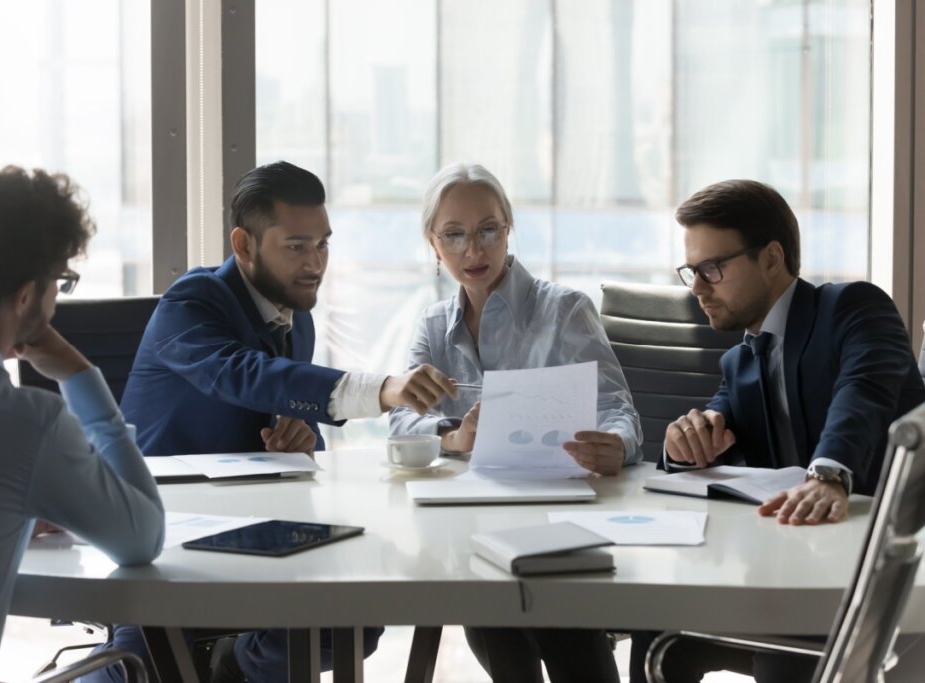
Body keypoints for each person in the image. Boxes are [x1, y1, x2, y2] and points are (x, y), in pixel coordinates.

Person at [91, 161, 456, 683]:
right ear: (244, 245)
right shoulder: (191, 304)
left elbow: (287, 406)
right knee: (142, 670)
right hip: (164, 541)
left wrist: (302, 441)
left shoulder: (296, 317)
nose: (315, 264)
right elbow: (246, 375)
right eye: (296, 247)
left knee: (355, 620)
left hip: (253, 533)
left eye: (323, 245)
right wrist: (381, 388)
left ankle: (231, 667)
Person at [630, 179, 925, 683]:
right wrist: (684, 444)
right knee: (651, 626)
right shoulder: (739, 362)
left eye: (711, 269)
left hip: (876, 572)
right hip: (790, 562)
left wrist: (829, 474)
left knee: (780, 657)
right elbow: (710, 431)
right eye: (691, 271)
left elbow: (864, 393)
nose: (697, 288)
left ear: (771, 258)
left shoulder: (852, 308)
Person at [0, 166, 165, 683]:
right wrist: (81, 376)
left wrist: (11, 510)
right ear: (27, 297)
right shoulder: (25, 423)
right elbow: (142, 538)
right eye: (60, 282)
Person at [389, 163, 642, 683]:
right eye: (454, 235)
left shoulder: (565, 310)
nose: (473, 251)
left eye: (488, 231)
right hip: (471, 521)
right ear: (433, 244)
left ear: (508, 229)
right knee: (489, 601)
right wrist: (454, 436)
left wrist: (616, 443)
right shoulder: (435, 325)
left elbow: (618, 409)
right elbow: (398, 424)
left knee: (551, 621)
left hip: (556, 518)